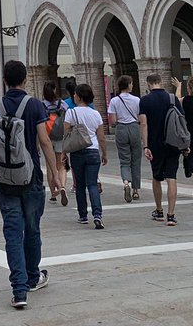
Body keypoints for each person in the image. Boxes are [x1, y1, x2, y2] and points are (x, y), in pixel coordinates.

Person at [0, 60, 61, 310]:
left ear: (4, 80)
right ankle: (32, 278)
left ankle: (19, 291)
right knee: (32, 229)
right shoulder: (34, 105)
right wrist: (54, 174)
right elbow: (45, 142)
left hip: (5, 180)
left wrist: (5, 166)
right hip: (31, 178)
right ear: (25, 79)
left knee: (12, 233)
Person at [138, 73, 184, 226]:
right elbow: (181, 120)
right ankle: (171, 215)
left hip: (155, 144)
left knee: (157, 177)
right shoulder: (172, 98)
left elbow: (143, 124)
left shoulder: (145, 100)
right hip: (173, 142)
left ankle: (159, 211)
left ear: (148, 84)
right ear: (161, 82)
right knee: (172, 177)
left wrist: (146, 145)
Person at [63, 83, 107, 228]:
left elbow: (66, 135)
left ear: (80, 96)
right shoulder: (96, 114)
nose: (74, 96)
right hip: (93, 151)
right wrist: (104, 153)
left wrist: (64, 153)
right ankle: (97, 215)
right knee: (92, 184)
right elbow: (101, 137)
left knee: (80, 185)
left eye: (75, 94)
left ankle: (83, 215)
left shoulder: (71, 113)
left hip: (77, 152)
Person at [107, 75, 142, 203]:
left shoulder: (114, 101)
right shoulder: (137, 100)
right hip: (134, 127)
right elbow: (139, 117)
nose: (132, 85)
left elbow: (113, 121)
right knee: (136, 159)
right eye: (131, 83)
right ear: (128, 85)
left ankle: (126, 182)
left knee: (124, 159)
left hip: (121, 128)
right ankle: (135, 190)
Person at [40, 82, 68, 206]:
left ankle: (53, 194)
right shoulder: (62, 104)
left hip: (47, 138)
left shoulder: (41, 105)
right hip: (60, 137)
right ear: (55, 90)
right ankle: (62, 186)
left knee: (50, 166)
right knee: (61, 165)